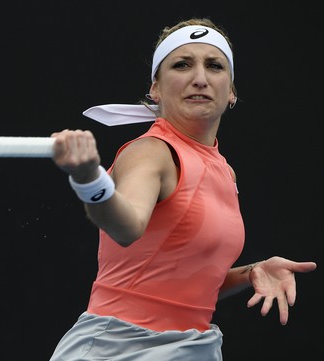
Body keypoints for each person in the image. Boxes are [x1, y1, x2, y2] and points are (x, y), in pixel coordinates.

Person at [49, 17, 317, 360]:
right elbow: (126, 227)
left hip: (192, 347)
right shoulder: (151, 153)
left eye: (214, 66)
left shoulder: (224, 171)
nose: (200, 78)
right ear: (156, 88)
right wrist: (89, 179)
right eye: (182, 64)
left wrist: (252, 272)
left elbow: (182, 285)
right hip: (117, 348)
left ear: (231, 91)